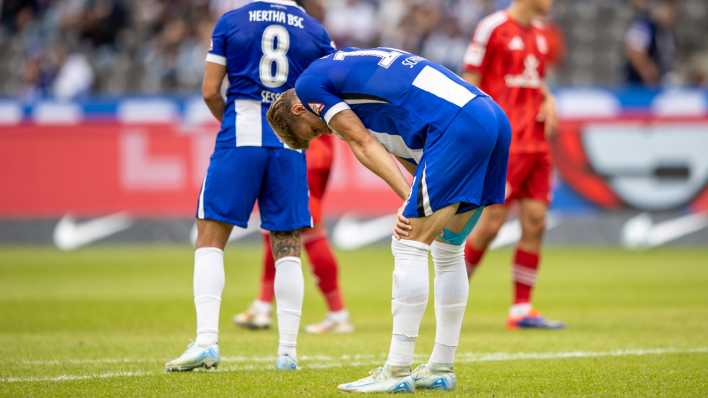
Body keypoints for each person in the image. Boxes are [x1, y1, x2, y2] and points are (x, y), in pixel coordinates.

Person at [267, 47, 510, 393]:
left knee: (408, 242)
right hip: (488, 115)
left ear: (298, 108)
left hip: (457, 125)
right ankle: (440, 367)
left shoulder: (309, 87)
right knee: (449, 248)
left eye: (314, 130)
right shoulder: (354, 75)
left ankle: (397, 370)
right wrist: (414, 195)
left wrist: (406, 200)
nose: (326, 133)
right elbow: (416, 156)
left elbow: (361, 142)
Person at [165, 0, 335, 372]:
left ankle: (207, 341)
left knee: (210, 236)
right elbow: (329, 93)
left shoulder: (232, 21)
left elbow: (211, 90)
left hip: (240, 132)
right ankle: (287, 353)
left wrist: (232, 122)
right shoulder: (315, 30)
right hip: (289, 142)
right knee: (287, 244)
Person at [461, 0, 564, 329]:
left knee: (536, 221)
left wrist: (548, 99)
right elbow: (469, 80)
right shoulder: (492, 28)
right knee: (490, 224)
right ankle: (451, 296)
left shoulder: (543, 34)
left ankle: (522, 309)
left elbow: (534, 79)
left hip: (536, 143)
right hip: (507, 143)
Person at [233, 133, 354, 334]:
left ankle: (337, 314)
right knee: (289, 228)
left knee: (288, 228)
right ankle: (263, 305)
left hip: (294, 142)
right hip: (318, 141)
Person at [624, 0, 676, 86]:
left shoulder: (668, 32)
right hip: (639, 86)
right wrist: (649, 73)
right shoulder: (644, 25)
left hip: (660, 82)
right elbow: (635, 52)